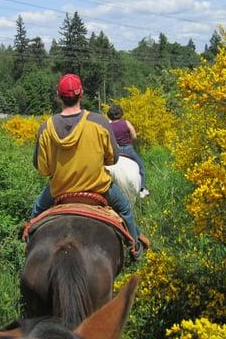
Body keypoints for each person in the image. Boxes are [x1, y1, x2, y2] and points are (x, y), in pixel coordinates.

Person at [32, 73, 146, 261]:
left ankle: (26, 245)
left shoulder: (45, 128)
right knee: (125, 209)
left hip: (59, 190)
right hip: (98, 189)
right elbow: (113, 159)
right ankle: (134, 247)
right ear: (81, 94)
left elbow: (43, 170)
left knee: (36, 212)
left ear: (58, 96)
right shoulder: (99, 122)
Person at [107, 104, 150, 198]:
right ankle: (142, 189)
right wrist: (130, 141)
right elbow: (134, 136)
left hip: (115, 151)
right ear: (120, 114)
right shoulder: (126, 123)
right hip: (127, 149)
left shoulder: (108, 126)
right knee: (141, 167)